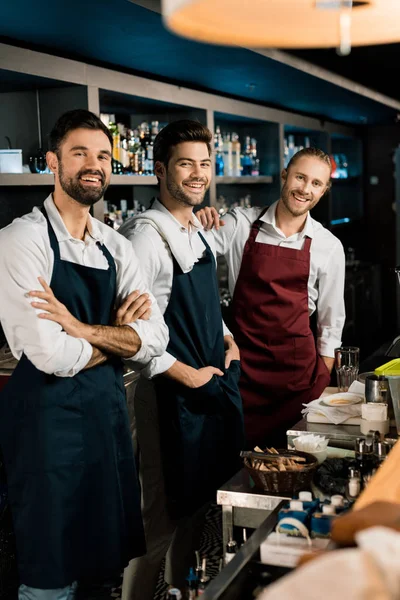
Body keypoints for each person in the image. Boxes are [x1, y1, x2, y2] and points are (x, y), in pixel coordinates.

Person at [0, 109, 169, 600]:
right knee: (49, 572)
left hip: (105, 419)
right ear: (53, 162)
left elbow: (155, 338)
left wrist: (83, 331)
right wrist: (117, 334)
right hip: (45, 427)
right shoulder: (21, 240)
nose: (93, 165)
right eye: (79, 154)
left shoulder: (115, 245)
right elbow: (52, 355)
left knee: (104, 570)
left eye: (103, 156)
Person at [118, 120, 244, 600]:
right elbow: (134, 333)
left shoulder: (198, 230)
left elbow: (207, 303)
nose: (197, 174)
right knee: (159, 521)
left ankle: (178, 593)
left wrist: (228, 337)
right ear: (160, 170)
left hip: (205, 382)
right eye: (185, 163)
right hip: (165, 393)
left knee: (195, 507)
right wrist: (188, 375)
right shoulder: (144, 236)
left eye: (205, 164)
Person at [197, 147, 345, 448]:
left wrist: (317, 386)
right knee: (238, 467)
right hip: (243, 373)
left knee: (296, 469)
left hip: (296, 380)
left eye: (316, 183)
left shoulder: (328, 246)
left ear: (324, 191)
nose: (305, 189)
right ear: (284, 176)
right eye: (300, 177)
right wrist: (195, 221)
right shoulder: (239, 224)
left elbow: (330, 327)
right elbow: (190, 250)